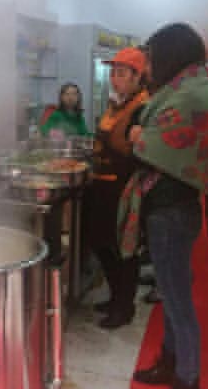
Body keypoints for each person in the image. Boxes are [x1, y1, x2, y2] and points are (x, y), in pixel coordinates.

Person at [119, 24, 208, 389]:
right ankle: (170, 361)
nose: (147, 67)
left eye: (150, 59)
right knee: (170, 293)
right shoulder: (186, 88)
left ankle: (187, 376)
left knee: (177, 300)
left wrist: (138, 136)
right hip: (173, 206)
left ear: (170, 55)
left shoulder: (189, 95)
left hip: (171, 210)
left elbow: (154, 144)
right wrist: (140, 134)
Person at [83, 47, 149, 329]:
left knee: (124, 248)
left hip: (123, 188)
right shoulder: (117, 104)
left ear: (137, 76)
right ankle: (115, 297)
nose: (114, 79)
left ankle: (124, 307)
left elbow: (139, 151)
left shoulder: (143, 108)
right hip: (103, 184)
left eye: (121, 73)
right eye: (113, 73)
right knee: (101, 243)